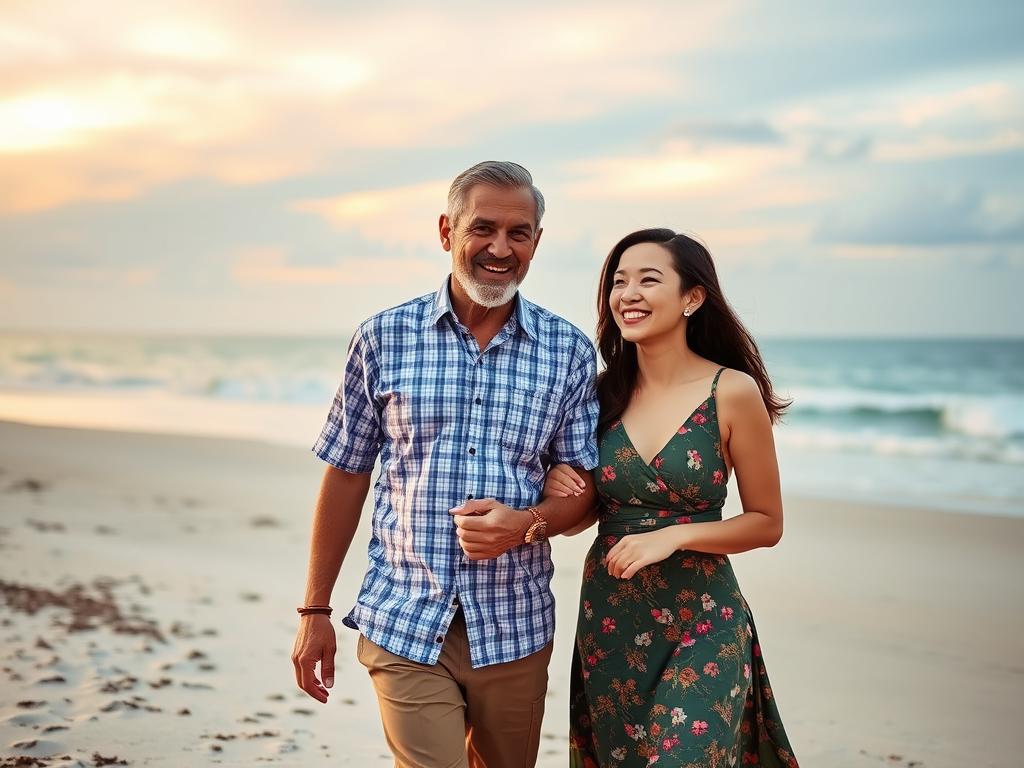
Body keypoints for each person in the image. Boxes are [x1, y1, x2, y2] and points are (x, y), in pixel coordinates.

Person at [291, 161, 600, 768]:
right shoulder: (384, 337)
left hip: (515, 626)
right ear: (446, 231)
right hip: (404, 616)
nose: (500, 248)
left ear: (537, 241)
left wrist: (529, 522)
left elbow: (585, 490)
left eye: (519, 233)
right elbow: (347, 472)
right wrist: (314, 611)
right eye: (483, 228)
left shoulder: (568, 351)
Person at [543, 229, 799, 767]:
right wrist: (556, 484)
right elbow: (577, 519)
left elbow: (766, 522)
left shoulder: (730, 391)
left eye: (648, 280)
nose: (628, 294)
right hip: (612, 618)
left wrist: (674, 537)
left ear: (693, 297)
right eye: (618, 281)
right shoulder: (599, 395)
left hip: (705, 615)